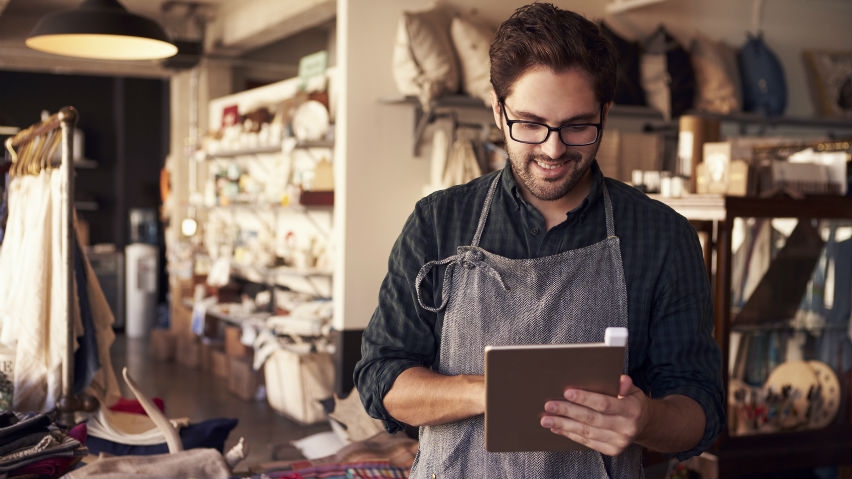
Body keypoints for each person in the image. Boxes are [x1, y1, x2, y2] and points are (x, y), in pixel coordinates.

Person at [354, 3, 724, 477]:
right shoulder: (438, 222)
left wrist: (646, 419)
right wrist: (492, 390)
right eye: (529, 124)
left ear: (605, 113)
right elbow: (381, 379)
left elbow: (700, 408)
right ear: (498, 110)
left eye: (577, 126)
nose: (553, 148)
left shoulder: (662, 237)